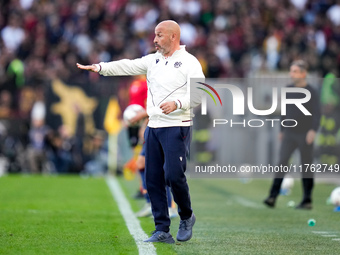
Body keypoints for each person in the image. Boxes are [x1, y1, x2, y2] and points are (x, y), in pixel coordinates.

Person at [77, 20, 205, 243]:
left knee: (174, 175)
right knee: (152, 179)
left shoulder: (190, 62)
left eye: (159, 35)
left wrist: (177, 103)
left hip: (177, 125)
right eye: (155, 35)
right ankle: (162, 229)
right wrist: (100, 68)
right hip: (154, 127)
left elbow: (199, 94)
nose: (154, 40)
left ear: (174, 37)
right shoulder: (153, 60)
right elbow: (126, 65)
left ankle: (186, 216)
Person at [264, 60, 321, 210]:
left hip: (305, 134)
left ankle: (307, 200)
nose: (292, 74)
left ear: (303, 73)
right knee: (282, 163)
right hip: (289, 133)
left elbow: (316, 114)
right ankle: (272, 196)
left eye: (295, 71)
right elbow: (285, 111)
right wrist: (282, 130)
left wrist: (313, 130)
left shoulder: (312, 92)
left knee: (306, 167)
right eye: (291, 71)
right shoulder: (288, 89)